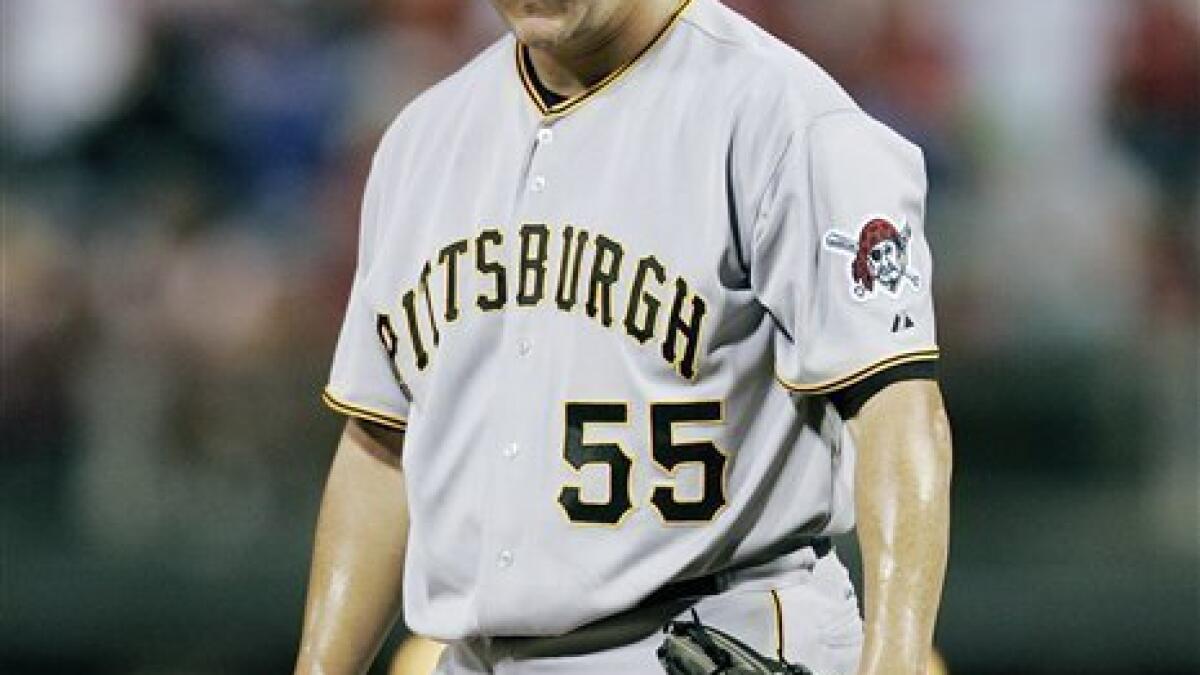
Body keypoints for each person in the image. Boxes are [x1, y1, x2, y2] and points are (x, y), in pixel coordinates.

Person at [293, 1, 953, 674]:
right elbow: (381, 439)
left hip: (713, 637)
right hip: (473, 654)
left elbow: (897, 410)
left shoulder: (784, 117)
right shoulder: (422, 140)